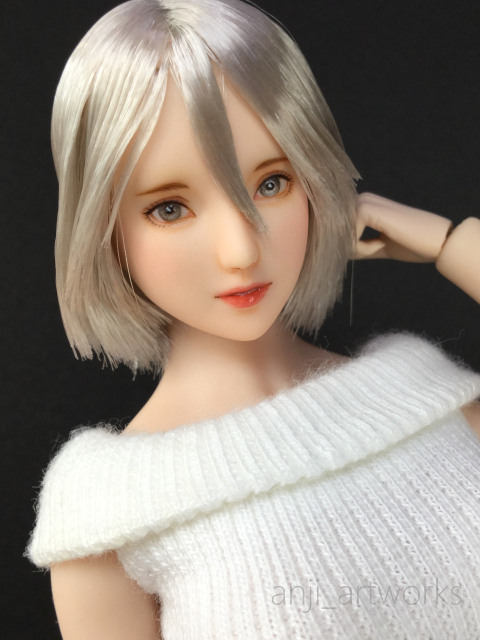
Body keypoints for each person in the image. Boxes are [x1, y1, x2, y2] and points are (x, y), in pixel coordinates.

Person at [25, 0, 480, 638]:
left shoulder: (429, 398)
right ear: (103, 229)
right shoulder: (108, 507)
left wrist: (453, 244)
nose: (240, 251)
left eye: (272, 184)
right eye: (169, 208)